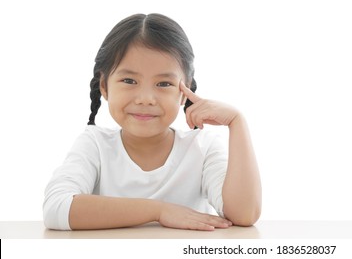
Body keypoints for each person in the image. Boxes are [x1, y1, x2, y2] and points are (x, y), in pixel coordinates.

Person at [43, 13, 261, 231]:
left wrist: (237, 122)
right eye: (129, 80)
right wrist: (159, 211)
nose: (145, 99)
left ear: (184, 91)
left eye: (164, 83)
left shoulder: (202, 147)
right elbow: (57, 208)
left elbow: (244, 213)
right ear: (104, 86)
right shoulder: (95, 144)